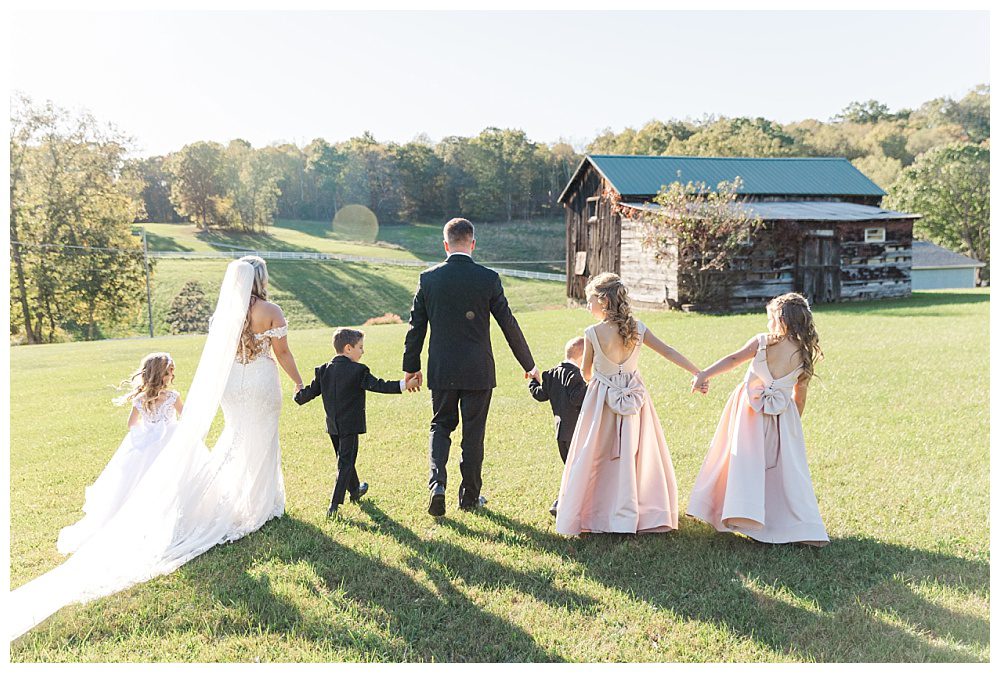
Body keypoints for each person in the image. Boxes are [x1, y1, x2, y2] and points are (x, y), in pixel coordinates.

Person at [9, 255, 305, 640]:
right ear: (261, 278)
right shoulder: (271, 310)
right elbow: (281, 353)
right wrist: (298, 381)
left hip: (233, 385)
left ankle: (241, 501)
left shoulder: (226, 313)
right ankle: (260, 504)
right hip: (262, 382)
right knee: (262, 438)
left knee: (234, 437)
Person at [402, 217, 538, 517]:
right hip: (478, 370)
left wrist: (410, 367)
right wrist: (528, 364)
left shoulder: (428, 279)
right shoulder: (488, 278)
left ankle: (437, 485)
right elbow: (508, 324)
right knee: (473, 435)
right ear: (472, 244)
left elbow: (415, 329)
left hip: (442, 368)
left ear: (445, 245)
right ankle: (469, 497)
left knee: (440, 426)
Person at [555, 273, 703, 536]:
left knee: (598, 453)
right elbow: (668, 350)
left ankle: (598, 511)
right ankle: (637, 511)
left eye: (590, 301)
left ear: (602, 301)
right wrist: (696, 372)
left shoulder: (592, 333)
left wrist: (603, 378)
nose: (588, 307)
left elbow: (587, 373)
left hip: (602, 401)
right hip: (635, 398)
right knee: (634, 453)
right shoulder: (639, 328)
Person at [686, 292, 829, 547]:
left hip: (748, 417)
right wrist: (792, 427)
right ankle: (785, 522)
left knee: (741, 462)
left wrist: (704, 374)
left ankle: (733, 510)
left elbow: (732, 360)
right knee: (778, 470)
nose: (767, 324)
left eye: (770, 318)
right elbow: (800, 396)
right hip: (781, 419)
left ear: (780, 320)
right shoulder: (804, 354)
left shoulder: (763, 342)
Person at [56, 352, 184, 555]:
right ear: (161, 374)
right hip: (169, 441)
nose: (172, 377)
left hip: (148, 445)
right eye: (170, 372)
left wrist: (146, 434)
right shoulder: (172, 397)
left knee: (144, 480)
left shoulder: (141, 399)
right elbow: (185, 417)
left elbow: (131, 424)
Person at [295, 327, 419, 517]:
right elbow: (380, 385)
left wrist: (298, 395)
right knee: (345, 462)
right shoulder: (358, 370)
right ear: (348, 348)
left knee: (345, 458)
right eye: (360, 347)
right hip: (350, 426)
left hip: (333, 426)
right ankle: (334, 504)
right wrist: (404, 385)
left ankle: (355, 490)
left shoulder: (324, 370)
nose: (363, 351)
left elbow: (308, 393)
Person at [528, 336, 587, 516]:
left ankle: (565, 503)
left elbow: (539, 394)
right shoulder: (576, 376)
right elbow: (577, 398)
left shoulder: (550, 374)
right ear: (582, 357)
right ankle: (561, 503)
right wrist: (592, 386)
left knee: (571, 468)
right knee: (577, 470)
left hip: (561, 433)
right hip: (576, 432)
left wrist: (533, 379)